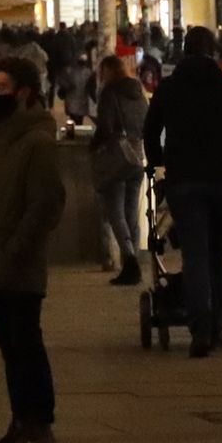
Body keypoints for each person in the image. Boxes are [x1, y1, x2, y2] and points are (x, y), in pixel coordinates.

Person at [0, 48, 66, 443]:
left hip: (17, 262)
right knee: (10, 347)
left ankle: (38, 425)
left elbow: (46, 203)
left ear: (23, 93)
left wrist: (17, 246)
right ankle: (21, 420)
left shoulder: (37, 141)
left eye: (2, 88)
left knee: (25, 343)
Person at [146, 25, 222, 350]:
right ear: (214, 52)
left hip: (185, 180)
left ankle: (200, 331)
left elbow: (150, 133)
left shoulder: (169, 88)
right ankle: (220, 322)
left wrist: (159, 166)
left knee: (194, 256)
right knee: (218, 253)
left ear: (183, 50)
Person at [88, 52, 148, 284]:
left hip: (116, 157)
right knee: (132, 210)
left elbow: (106, 127)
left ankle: (129, 260)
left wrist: (94, 146)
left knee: (115, 210)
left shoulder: (109, 93)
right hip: (137, 154)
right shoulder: (138, 93)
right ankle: (133, 262)